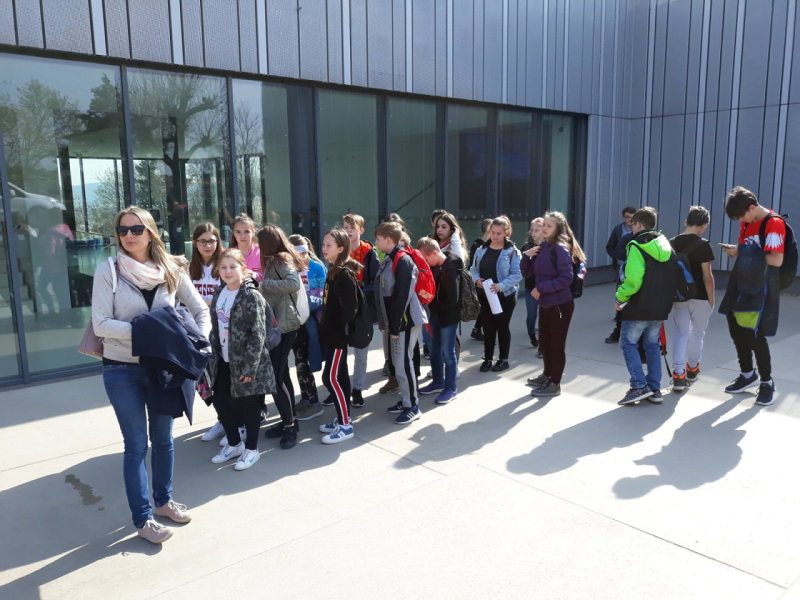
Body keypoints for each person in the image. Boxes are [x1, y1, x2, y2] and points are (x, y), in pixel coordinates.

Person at [92, 206, 210, 544]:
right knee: (135, 446)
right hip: (121, 369)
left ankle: (163, 501)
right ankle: (143, 519)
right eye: (122, 230)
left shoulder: (171, 268)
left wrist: (198, 342)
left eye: (136, 229)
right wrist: (156, 334)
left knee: (163, 439)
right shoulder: (109, 270)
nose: (129, 235)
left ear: (150, 232)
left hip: (162, 368)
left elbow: (200, 309)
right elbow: (101, 324)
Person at [208, 249, 276, 470]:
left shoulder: (251, 296)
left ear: (243, 269)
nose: (227, 271)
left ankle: (252, 450)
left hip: (246, 362)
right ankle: (234, 443)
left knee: (248, 406)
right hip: (223, 359)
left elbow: (258, 333)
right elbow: (216, 327)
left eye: (232, 267)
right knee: (220, 400)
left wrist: (250, 367)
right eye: (223, 267)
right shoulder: (220, 292)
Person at [719, 186, 785, 407]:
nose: (740, 221)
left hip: (760, 288)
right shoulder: (747, 222)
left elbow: (776, 260)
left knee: (754, 335)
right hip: (740, 284)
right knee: (736, 330)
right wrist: (738, 250)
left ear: (752, 207)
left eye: (740, 216)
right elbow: (748, 249)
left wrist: (742, 252)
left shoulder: (774, 224)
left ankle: (766, 382)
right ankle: (747, 375)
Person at [615, 207, 675, 406]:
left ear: (639, 224)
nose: (631, 228)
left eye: (632, 224)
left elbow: (633, 279)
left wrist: (620, 296)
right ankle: (654, 388)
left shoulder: (636, 245)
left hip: (639, 305)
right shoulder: (665, 245)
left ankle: (638, 386)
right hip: (661, 306)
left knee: (628, 343)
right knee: (652, 345)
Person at [374, 221, 428, 424]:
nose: (376, 242)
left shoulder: (403, 260)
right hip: (397, 321)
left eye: (378, 239)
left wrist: (395, 325)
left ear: (388, 240)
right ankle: (406, 399)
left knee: (404, 363)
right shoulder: (390, 258)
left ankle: (412, 405)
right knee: (399, 363)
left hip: (405, 320)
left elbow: (402, 296)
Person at [527, 212, 586, 397]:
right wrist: (526, 256)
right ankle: (547, 375)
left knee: (556, 345)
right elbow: (528, 272)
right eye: (544, 224)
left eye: (549, 226)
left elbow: (566, 278)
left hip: (560, 304)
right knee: (545, 342)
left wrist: (541, 288)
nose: (544, 228)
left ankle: (555, 383)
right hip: (546, 303)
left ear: (558, 229)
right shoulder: (544, 246)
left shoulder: (560, 248)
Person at [257, 225, 305, 449]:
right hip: (280, 325)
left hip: (285, 326)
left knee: (275, 379)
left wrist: (263, 284)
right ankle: (290, 421)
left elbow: (293, 284)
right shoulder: (274, 260)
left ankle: (289, 426)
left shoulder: (281, 259)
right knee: (282, 376)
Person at [317, 229, 361, 443]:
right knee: (340, 377)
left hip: (338, 337)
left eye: (329, 245)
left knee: (330, 378)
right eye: (324, 244)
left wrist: (336, 327)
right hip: (331, 335)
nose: (324, 249)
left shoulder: (344, 274)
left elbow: (350, 310)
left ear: (341, 248)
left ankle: (345, 425)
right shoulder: (333, 270)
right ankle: (342, 417)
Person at [188, 223, 228, 443]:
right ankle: (222, 419)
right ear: (195, 243)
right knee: (207, 381)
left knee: (224, 378)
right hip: (199, 332)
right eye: (202, 241)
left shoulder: (224, 264)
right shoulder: (188, 268)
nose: (207, 245)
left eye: (211, 241)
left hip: (223, 331)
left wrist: (202, 304)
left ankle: (234, 422)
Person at [669, 206, 715, 392]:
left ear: (686, 222)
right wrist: (711, 300)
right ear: (705, 225)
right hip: (701, 296)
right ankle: (693, 368)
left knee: (680, 334)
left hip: (679, 296)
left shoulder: (671, 243)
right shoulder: (703, 245)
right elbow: (707, 276)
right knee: (697, 333)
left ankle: (678, 375)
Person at [469, 216, 522, 373]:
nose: (495, 236)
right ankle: (487, 359)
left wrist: (501, 286)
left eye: (499, 233)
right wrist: (477, 279)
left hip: (505, 296)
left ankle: (503, 360)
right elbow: (473, 269)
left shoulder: (512, 252)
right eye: (492, 232)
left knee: (502, 327)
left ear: (506, 233)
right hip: (485, 294)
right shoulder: (481, 249)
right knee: (488, 327)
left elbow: (517, 274)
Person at [417, 237, 463, 405]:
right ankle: (438, 382)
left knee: (447, 352)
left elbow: (453, 298)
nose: (425, 262)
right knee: (434, 349)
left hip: (448, 318)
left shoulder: (450, 269)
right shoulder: (434, 266)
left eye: (426, 259)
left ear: (434, 253)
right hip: (435, 315)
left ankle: (450, 388)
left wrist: (432, 302)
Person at [341, 214, 380, 408]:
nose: (348, 231)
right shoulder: (340, 249)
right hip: (342, 308)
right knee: (339, 353)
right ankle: (340, 388)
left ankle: (357, 388)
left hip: (362, 309)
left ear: (361, 230)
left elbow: (375, 283)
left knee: (361, 352)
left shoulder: (369, 252)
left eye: (352, 227)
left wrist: (359, 288)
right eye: (345, 227)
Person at [288, 234, 326, 421]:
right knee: (299, 363)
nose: (302, 256)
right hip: (295, 323)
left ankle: (314, 402)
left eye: (304, 251)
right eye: (297, 253)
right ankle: (305, 398)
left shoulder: (317, 268)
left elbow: (320, 296)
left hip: (311, 323)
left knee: (307, 363)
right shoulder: (289, 268)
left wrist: (301, 308)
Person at [605, 206, 637, 343]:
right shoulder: (619, 230)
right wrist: (618, 256)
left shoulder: (641, 235)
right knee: (621, 293)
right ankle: (619, 322)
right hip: (622, 267)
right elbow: (610, 246)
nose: (629, 220)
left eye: (632, 217)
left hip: (636, 269)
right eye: (627, 217)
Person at [520, 217, 544, 348]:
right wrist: (527, 255)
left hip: (545, 289)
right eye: (532, 230)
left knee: (545, 316)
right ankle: (532, 335)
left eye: (537, 230)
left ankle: (543, 342)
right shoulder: (526, 247)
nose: (533, 233)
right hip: (530, 288)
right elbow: (524, 272)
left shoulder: (549, 248)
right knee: (531, 315)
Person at [468, 218, 493, 341]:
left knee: (486, 307)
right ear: (487, 229)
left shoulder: (494, 244)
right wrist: (477, 279)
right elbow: (473, 264)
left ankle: (477, 329)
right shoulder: (477, 245)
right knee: (485, 307)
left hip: (490, 281)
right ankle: (480, 330)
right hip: (481, 281)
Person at [228, 213, 262, 281]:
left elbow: (269, 276)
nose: (242, 236)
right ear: (234, 233)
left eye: (246, 232)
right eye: (238, 232)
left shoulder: (262, 252)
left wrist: (252, 274)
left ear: (253, 232)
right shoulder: (228, 254)